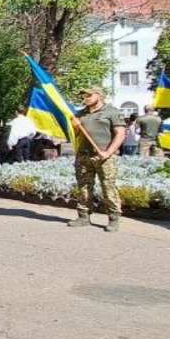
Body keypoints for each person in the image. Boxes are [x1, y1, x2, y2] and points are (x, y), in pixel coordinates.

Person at [70, 86, 126, 232]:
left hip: (104, 156)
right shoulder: (80, 114)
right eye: (83, 95)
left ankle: (113, 218)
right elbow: (76, 135)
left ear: (99, 95)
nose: (85, 98)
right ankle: (83, 216)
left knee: (108, 187)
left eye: (88, 95)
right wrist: (75, 126)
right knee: (84, 187)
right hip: (84, 155)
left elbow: (120, 134)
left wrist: (108, 152)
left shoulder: (111, 112)